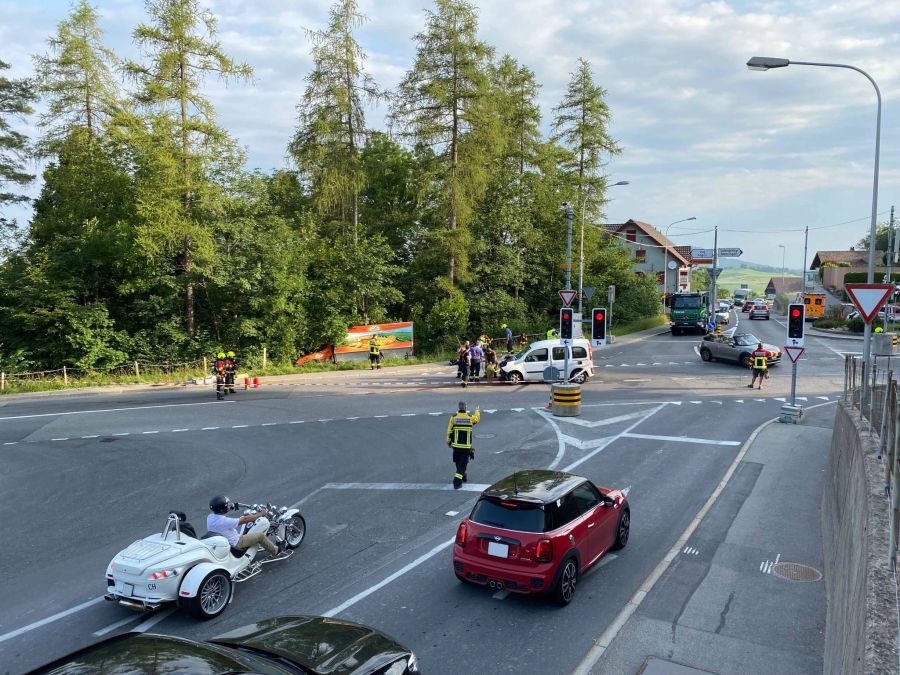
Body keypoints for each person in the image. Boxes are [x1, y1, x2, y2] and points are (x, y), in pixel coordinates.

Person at [207, 495, 286, 557]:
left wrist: (244, 506)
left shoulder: (210, 517)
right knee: (260, 536)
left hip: (227, 541)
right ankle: (275, 551)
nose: (228, 506)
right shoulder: (224, 521)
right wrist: (261, 514)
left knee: (244, 524)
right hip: (236, 543)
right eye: (226, 505)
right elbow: (244, 520)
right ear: (221, 509)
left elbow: (232, 507)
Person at [447, 401, 481, 489]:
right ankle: (457, 482)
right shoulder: (470, 418)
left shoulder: (453, 417)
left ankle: (463, 476)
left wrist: (448, 442)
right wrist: (477, 410)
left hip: (456, 446)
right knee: (462, 465)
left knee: (459, 463)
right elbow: (477, 419)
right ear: (466, 407)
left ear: (459, 407)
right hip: (465, 447)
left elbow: (449, 431)